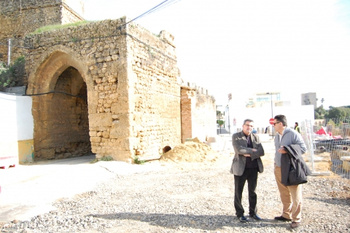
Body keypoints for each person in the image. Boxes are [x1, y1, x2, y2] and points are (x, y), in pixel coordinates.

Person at [273, 115, 307, 229]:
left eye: (275, 123)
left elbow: (303, 148)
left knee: (295, 194)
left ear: (281, 124)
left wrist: (287, 150)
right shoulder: (277, 136)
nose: (273, 125)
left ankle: (296, 219)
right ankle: (286, 214)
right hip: (279, 168)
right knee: (284, 193)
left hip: (291, 168)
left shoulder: (293, 134)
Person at [230, 119, 264, 223]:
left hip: (253, 168)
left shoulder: (256, 137)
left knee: (252, 192)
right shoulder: (236, 136)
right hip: (241, 168)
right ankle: (240, 213)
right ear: (243, 126)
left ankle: (253, 212)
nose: (249, 127)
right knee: (238, 192)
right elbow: (239, 150)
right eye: (247, 125)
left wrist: (248, 152)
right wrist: (253, 151)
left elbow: (261, 151)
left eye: (251, 126)